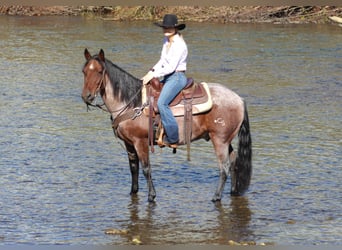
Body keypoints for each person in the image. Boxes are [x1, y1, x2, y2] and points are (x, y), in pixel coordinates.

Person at [142, 14, 188, 148]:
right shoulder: (166, 41)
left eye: (169, 27)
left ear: (175, 28)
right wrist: (150, 73)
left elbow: (171, 67)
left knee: (162, 103)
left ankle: (173, 138)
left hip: (177, 77)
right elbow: (162, 61)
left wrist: (154, 74)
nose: (166, 29)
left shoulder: (179, 45)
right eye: (164, 27)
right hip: (168, 76)